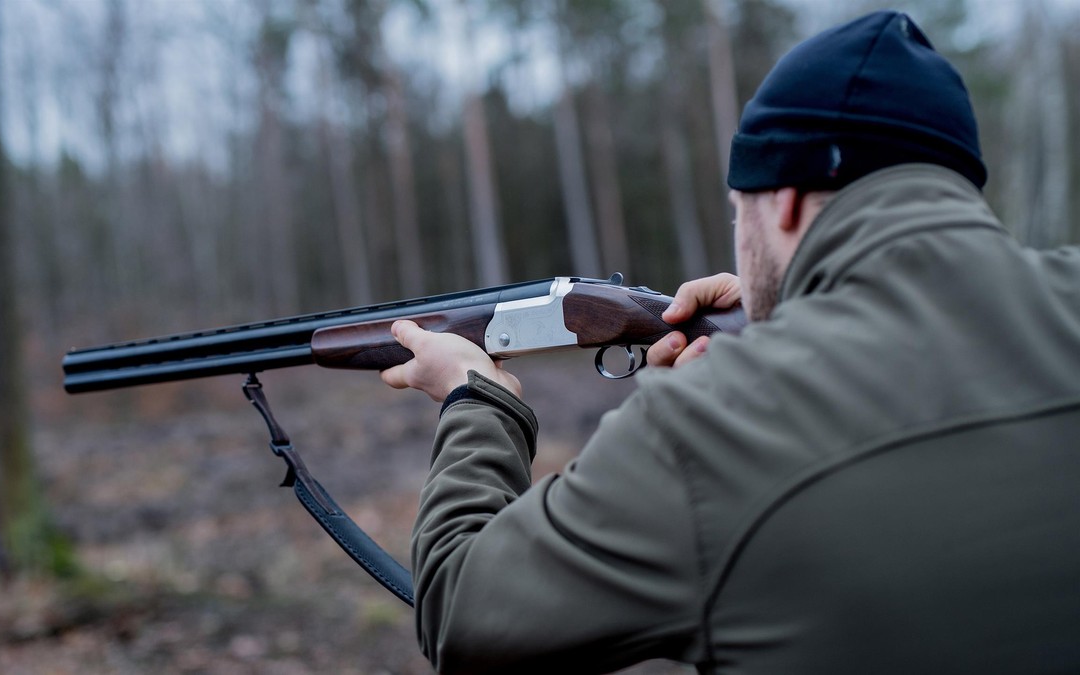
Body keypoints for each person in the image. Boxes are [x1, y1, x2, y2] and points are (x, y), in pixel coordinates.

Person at [381, 10, 1080, 674]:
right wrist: (795, 318)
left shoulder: (709, 425)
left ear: (784, 201)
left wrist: (477, 400)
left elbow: (461, 615)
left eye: (738, 212)